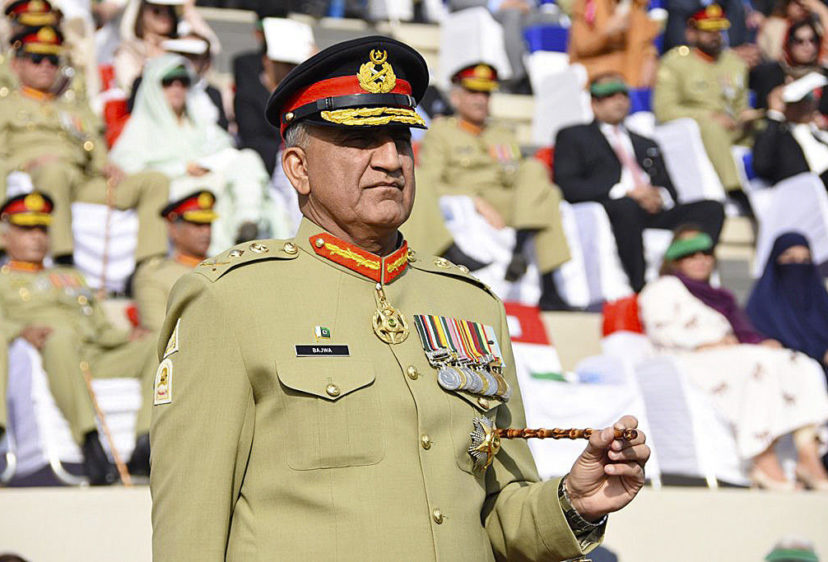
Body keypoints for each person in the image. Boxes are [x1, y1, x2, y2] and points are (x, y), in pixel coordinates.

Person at [150, 36, 650, 559]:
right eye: (360, 139)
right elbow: (191, 523)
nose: (390, 159)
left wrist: (574, 502)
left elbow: (498, 512)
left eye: (400, 139)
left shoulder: (471, 304)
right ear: (298, 168)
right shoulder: (230, 299)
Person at [639, 225, 828, 490]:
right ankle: (762, 457)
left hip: (729, 354)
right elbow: (661, 329)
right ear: (675, 260)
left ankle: (807, 454)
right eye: (690, 254)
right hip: (689, 358)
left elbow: (744, 333)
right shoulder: (663, 288)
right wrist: (706, 342)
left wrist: (760, 342)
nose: (700, 259)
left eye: (706, 253)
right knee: (758, 366)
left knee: (801, 363)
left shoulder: (720, 296)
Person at [0, 191, 158, 483]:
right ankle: (90, 441)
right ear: (4, 236)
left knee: (157, 344)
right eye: (26, 229)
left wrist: (129, 336)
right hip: (52, 354)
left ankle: (145, 442)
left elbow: (101, 325)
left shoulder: (72, 276)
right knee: (59, 340)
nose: (37, 237)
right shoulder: (3, 279)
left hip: (95, 353)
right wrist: (20, 331)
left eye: (42, 229)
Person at [0, 26, 169, 265]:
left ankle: (150, 263)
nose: (46, 66)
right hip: (40, 174)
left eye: (53, 60)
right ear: (17, 65)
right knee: (54, 172)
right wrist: (25, 163)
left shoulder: (72, 109)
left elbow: (93, 144)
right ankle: (62, 256)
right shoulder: (6, 106)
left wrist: (105, 164)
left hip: (81, 179)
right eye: (36, 59)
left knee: (155, 181)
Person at [417, 62, 572, 309]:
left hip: (511, 203)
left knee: (538, 174)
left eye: (486, 93)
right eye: (473, 92)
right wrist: (474, 199)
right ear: (456, 98)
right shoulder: (442, 133)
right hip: (468, 199)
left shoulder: (502, 133)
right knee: (548, 195)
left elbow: (516, 175)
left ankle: (522, 249)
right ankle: (548, 285)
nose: (481, 100)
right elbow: (430, 181)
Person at [555, 73, 725, 292]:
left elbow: (670, 189)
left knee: (712, 208)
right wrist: (626, 192)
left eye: (623, 94)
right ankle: (639, 286)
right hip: (612, 207)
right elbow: (568, 185)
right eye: (610, 95)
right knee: (627, 207)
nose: (619, 100)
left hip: (653, 210)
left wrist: (658, 196)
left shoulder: (645, 142)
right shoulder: (574, 136)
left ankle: (692, 276)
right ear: (594, 103)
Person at [110, 54, 288, 254]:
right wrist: (183, 168)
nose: (177, 88)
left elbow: (224, 144)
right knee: (221, 195)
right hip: (178, 187)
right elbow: (130, 170)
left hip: (215, 176)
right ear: (154, 86)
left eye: (183, 81)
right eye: (168, 82)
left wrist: (211, 163)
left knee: (248, 158)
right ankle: (231, 250)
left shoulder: (197, 119)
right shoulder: (140, 127)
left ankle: (248, 223)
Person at [654, 4, 759, 196]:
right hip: (701, 131)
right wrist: (706, 115)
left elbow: (740, 103)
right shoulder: (675, 63)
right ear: (691, 33)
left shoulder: (734, 63)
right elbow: (664, 110)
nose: (714, 35)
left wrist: (746, 116)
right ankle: (734, 189)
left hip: (736, 129)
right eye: (707, 31)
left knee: (771, 124)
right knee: (713, 127)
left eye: (718, 29)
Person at [132, 190, 216, 332]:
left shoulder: (223, 267)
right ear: (173, 230)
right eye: (197, 224)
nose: (206, 232)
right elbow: (159, 332)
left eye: (209, 224)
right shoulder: (153, 275)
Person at [747, 232, 828, 378]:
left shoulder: (821, 303)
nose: (798, 267)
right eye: (790, 259)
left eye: (805, 260)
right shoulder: (761, 308)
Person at [114, 0, 219, 94]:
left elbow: (212, 48)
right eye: (157, 11)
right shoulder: (130, 50)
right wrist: (152, 61)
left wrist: (188, 10)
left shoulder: (181, 45)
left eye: (170, 10)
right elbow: (130, 88)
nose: (164, 15)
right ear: (143, 13)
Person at [127, 32, 228, 129]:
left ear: (206, 63)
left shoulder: (212, 95)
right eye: (180, 54)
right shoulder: (148, 85)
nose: (184, 61)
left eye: (193, 56)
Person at [752, 78, 828, 186]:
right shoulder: (780, 134)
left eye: (812, 97)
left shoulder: (817, 129)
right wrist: (775, 115)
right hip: (806, 187)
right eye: (805, 99)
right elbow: (761, 165)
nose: (811, 103)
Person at [568, 0, 661, 87]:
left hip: (630, 78)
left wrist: (650, 58)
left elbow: (645, 42)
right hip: (598, 74)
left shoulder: (635, 6)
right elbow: (581, 46)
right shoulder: (588, 4)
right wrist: (607, 31)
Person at [751, 20, 828, 112]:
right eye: (799, 41)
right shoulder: (769, 74)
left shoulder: (824, 76)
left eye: (813, 40)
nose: (807, 46)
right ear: (789, 44)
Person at [757, 0, 828, 62]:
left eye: (806, 3)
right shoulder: (774, 26)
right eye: (797, 3)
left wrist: (822, 10)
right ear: (787, 4)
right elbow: (774, 56)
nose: (802, 7)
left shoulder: (817, 26)